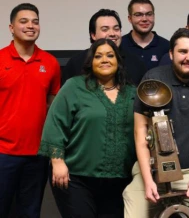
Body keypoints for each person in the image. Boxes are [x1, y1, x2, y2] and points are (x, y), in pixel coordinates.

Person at [123, 28, 189, 218]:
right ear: (171, 54)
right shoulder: (152, 79)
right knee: (134, 205)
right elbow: (140, 134)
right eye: (183, 51)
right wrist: (148, 179)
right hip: (152, 170)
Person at [38, 38, 136, 218]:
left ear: (118, 61)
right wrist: (57, 161)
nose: (104, 60)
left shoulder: (132, 93)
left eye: (110, 55)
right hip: (76, 178)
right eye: (98, 56)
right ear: (91, 62)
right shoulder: (74, 87)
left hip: (120, 180)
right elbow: (55, 123)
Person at [0, 3, 61, 218]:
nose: (30, 26)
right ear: (11, 27)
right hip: (3, 153)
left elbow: (53, 109)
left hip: (37, 154)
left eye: (35, 21)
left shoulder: (50, 63)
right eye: (23, 21)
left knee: (30, 212)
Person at [62, 9, 146, 86]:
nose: (112, 33)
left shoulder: (136, 63)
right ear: (93, 35)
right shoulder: (76, 62)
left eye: (116, 29)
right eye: (105, 29)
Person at [121, 0, 169, 70]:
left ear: (154, 16)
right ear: (129, 18)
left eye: (149, 14)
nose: (144, 19)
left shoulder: (167, 46)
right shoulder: (120, 45)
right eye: (138, 15)